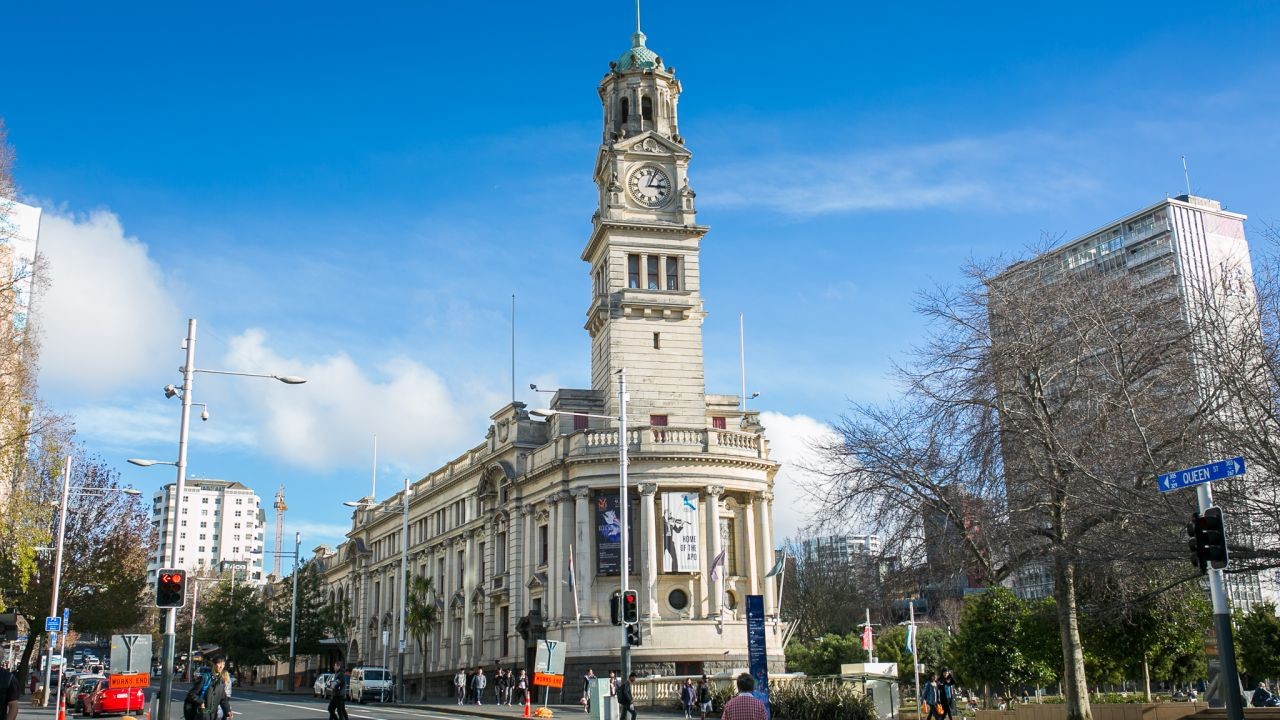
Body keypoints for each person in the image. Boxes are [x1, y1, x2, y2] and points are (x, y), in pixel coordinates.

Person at [194, 655, 232, 720]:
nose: (221, 666)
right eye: (219, 664)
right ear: (214, 664)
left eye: (223, 664)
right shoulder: (205, 678)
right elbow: (192, 694)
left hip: (213, 715)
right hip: (202, 714)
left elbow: (223, 699)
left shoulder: (221, 681)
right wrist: (201, 702)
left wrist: (228, 711)